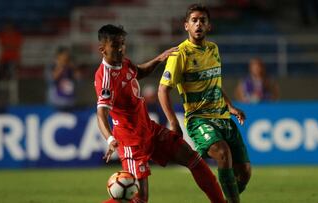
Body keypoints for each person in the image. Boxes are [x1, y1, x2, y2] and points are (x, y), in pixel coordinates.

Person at [94, 24, 226, 203]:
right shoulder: (106, 78)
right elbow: (101, 113)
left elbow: (139, 72)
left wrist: (159, 59)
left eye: (122, 44)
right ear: (102, 49)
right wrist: (110, 139)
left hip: (149, 130)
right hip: (132, 142)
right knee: (139, 199)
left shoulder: (124, 63)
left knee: (193, 158)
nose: (121, 49)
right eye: (115, 46)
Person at [158, 4, 251, 203]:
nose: (198, 24)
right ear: (186, 26)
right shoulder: (179, 55)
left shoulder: (213, 49)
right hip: (199, 120)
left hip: (223, 118)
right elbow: (162, 90)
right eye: (194, 20)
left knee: (245, 173)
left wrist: (230, 106)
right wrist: (174, 122)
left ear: (209, 26)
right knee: (223, 152)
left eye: (203, 20)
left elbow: (215, 84)